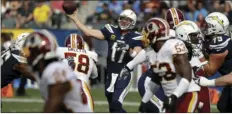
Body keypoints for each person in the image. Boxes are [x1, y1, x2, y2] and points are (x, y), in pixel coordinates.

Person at [67, 9, 144, 112]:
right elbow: (88, 32)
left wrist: (128, 48)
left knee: (116, 104)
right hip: (110, 73)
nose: (124, 22)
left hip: (124, 73)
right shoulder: (111, 30)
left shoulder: (136, 37)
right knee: (113, 108)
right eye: (123, 19)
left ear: (133, 23)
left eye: (128, 20)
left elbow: (136, 53)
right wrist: (75, 19)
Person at [123, 18, 200, 112]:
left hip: (187, 94)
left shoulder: (174, 45)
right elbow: (156, 80)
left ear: (155, 34)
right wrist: (144, 102)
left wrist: (174, 96)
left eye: (147, 34)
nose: (145, 37)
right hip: (171, 97)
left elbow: (187, 75)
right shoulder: (150, 52)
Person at [22, 30, 89, 112]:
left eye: (30, 52)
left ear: (38, 51)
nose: (27, 56)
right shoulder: (46, 71)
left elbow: (55, 100)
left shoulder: (54, 68)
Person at [197, 12, 232, 112]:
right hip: (229, 80)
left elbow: (209, 71)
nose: (204, 27)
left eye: (207, 25)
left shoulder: (220, 41)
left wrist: (199, 54)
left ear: (215, 27)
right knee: (223, 106)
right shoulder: (220, 39)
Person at [175, 20, 211, 112]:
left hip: (199, 86)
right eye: (194, 35)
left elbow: (207, 69)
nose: (197, 38)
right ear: (183, 35)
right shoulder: (175, 51)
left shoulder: (195, 50)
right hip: (184, 89)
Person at [56, 33, 98, 112]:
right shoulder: (90, 55)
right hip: (82, 85)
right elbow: (95, 75)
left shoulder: (60, 51)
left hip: (65, 86)